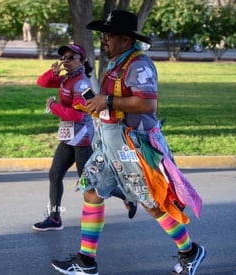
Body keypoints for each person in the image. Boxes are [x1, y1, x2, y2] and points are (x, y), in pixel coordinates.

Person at [51, 10, 206, 275]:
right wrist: (96, 106)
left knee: (152, 204)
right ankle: (86, 262)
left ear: (125, 39)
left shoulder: (139, 64)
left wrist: (108, 101)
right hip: (109, 146)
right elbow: (116, 102)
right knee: (91, 191)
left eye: (108, 36)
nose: (104, 41)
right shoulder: (116, 63)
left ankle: (190, 251)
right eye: (103, 35)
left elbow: (147, 103)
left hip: (133, 147)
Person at [32, 44, 95, 231]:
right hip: (69, 135)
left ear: (82, 61)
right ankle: (54, 218)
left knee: (88, 181)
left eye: (71, 58)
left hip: (82, 136)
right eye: (64, 58)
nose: (65, 61)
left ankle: (127, 198)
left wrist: (52, 106)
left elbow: (77, 115)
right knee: (55, 174)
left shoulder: (81, 84)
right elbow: (42, 82)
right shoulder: (66, 79)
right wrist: (52, 73)